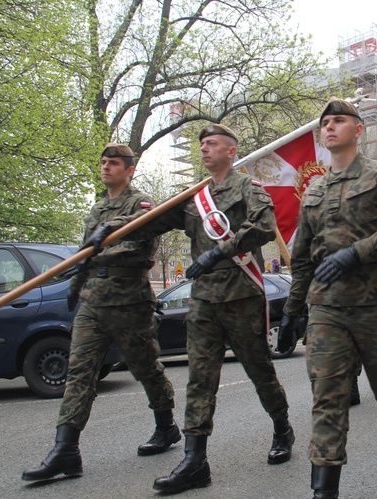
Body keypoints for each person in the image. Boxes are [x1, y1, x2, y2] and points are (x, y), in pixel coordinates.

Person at [99, 125, 294, 493]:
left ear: (231, 151)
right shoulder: (194, 197)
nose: (204, 149)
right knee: (200, 379)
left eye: (212, 144)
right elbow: (150, 222)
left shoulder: (248, 189)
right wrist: (112, 229)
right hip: (203, 298)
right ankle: (194, 460)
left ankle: (282, 427)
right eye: (201, 144)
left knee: (259, 370)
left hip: (240, 294)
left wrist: (219, 252)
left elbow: (264, 227)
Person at [277, 97, 377, 498]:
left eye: (339, 121)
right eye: (325, 122)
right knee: (327, 399)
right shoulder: (312, 191)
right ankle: (324, 491)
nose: (330, 127)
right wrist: (294, 311)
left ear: (357, 130)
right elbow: (303, 260)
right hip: (328, 311)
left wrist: (356, 252)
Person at [22, 144, 178, 481]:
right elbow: (85, 254)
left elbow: (140, 233)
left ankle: (166, 426)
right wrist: (75, 285)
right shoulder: (95, 210)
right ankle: (66, 450)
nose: (106, 167)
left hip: (129, 302)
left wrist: (107, 237)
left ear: (129, 169)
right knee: (79, 372)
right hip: (93, 301)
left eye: (114, 163)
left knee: (145, 368)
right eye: (103, 162)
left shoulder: (140, 204)